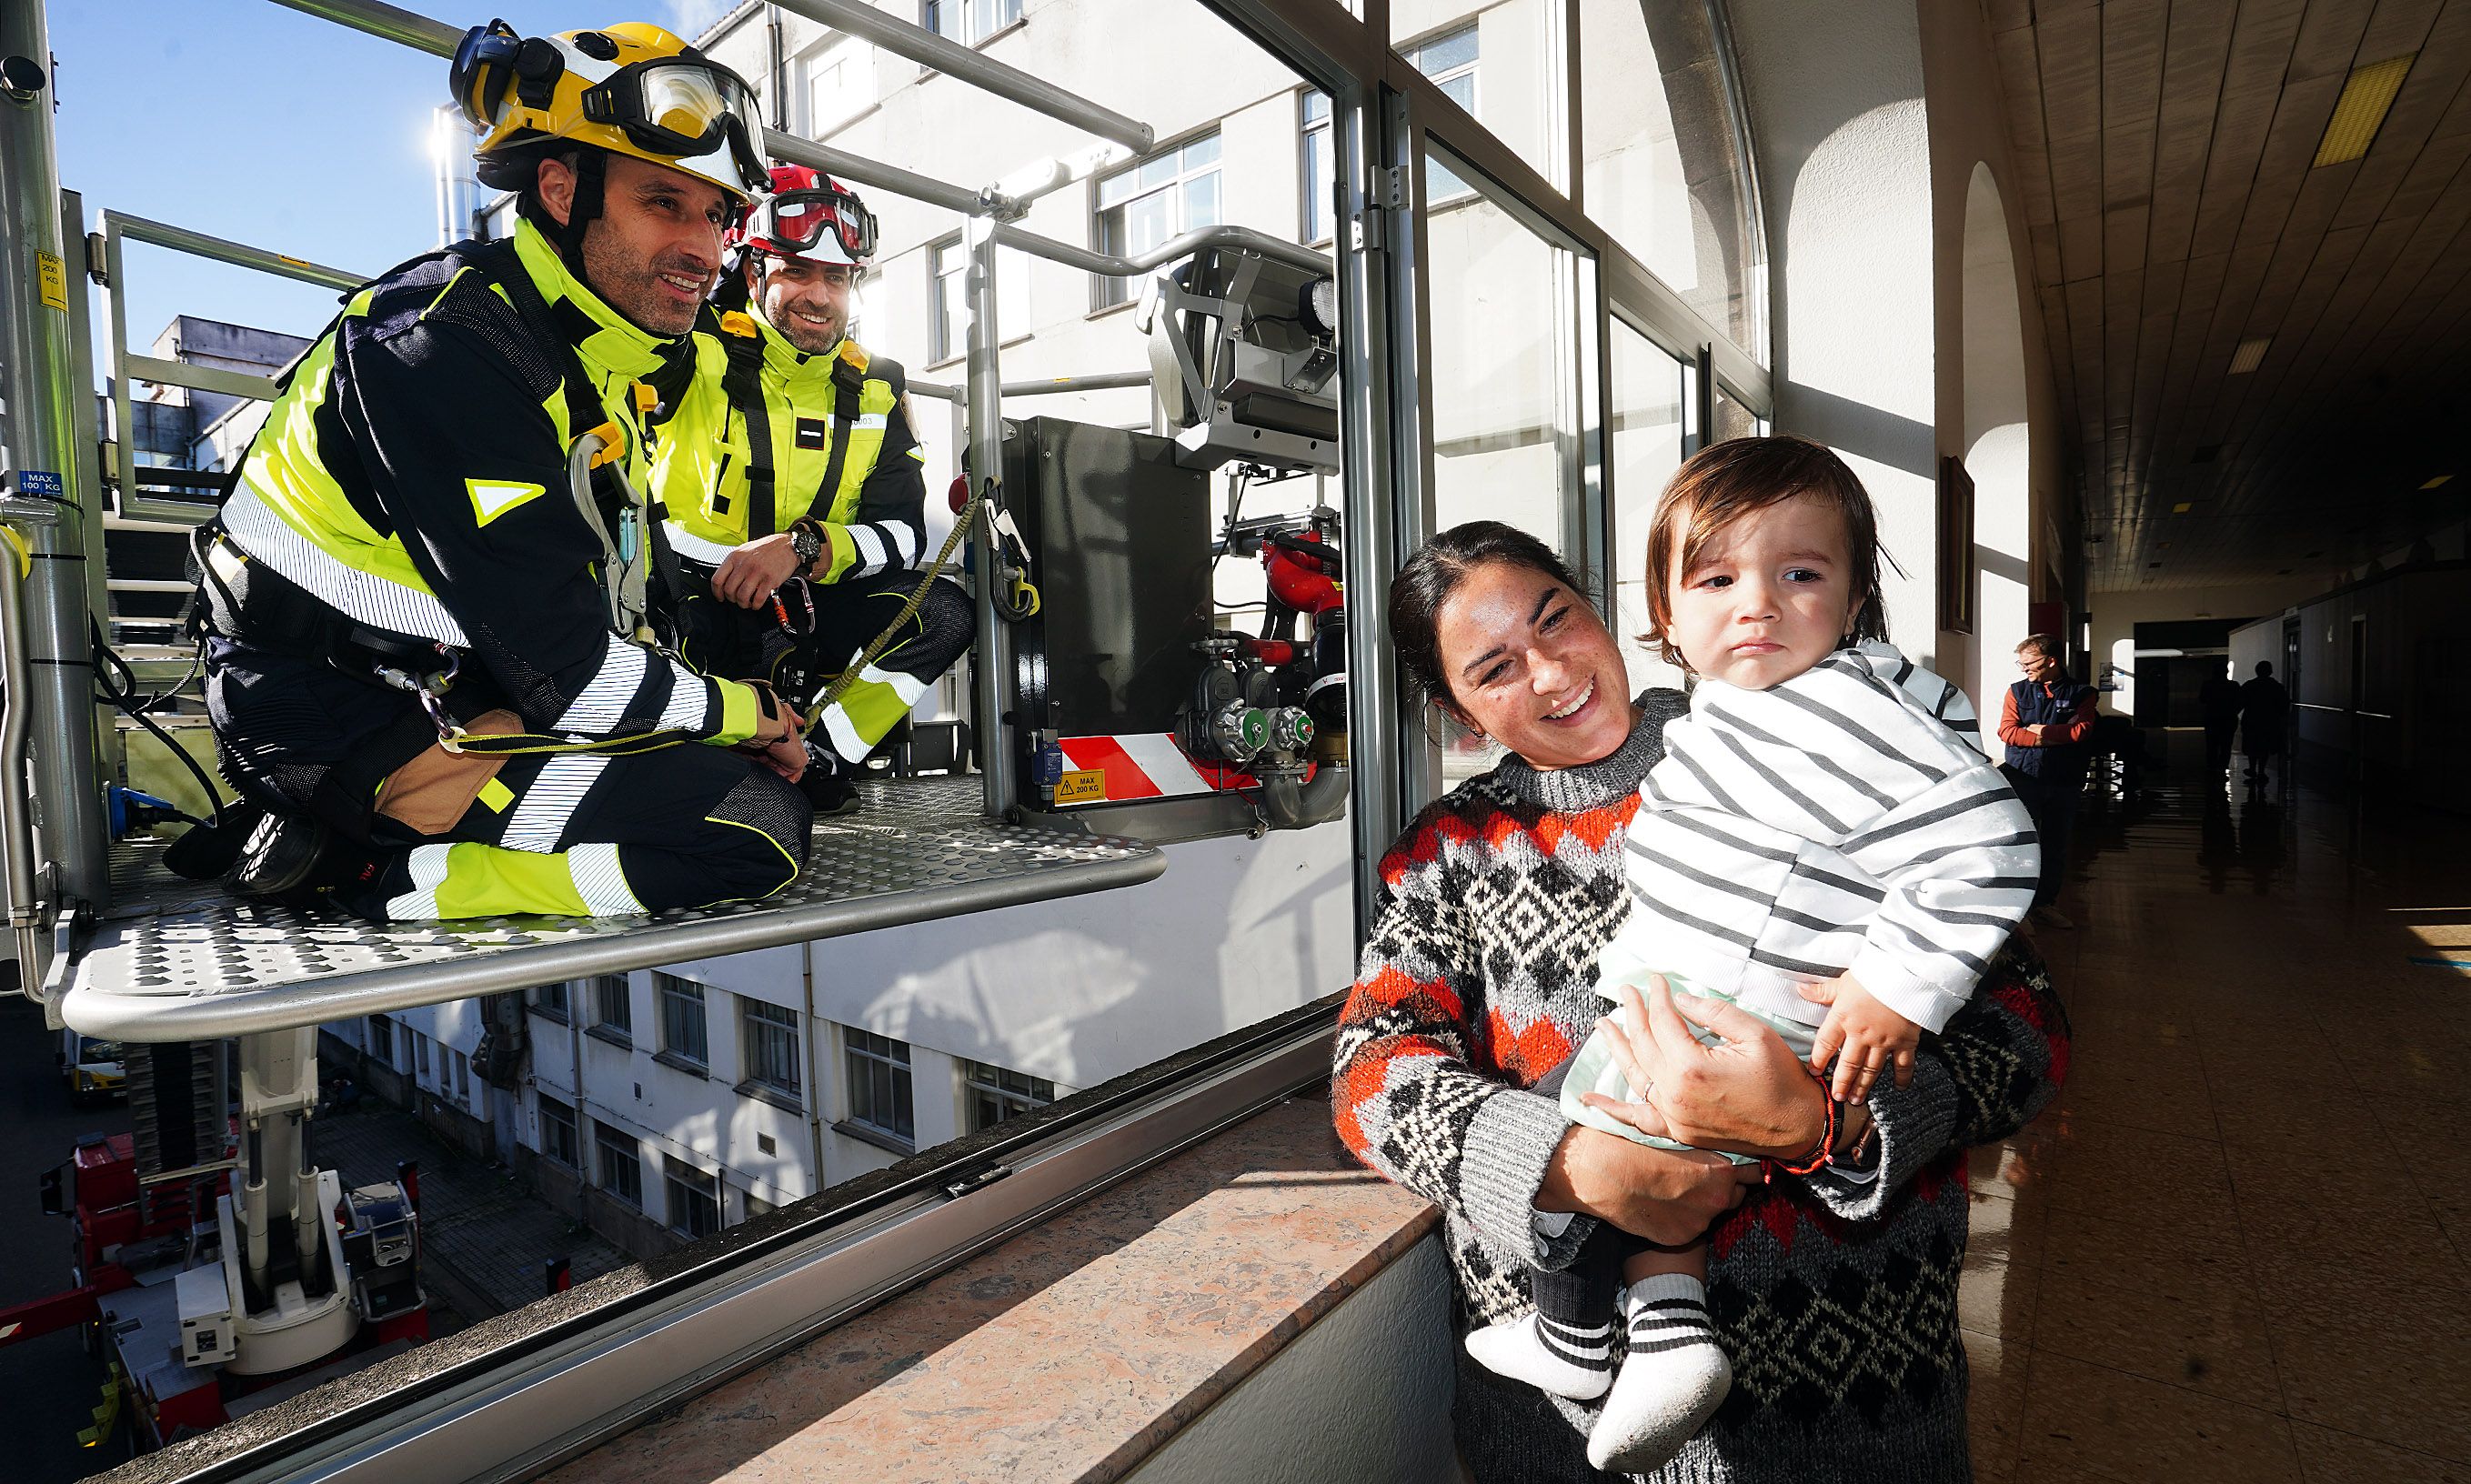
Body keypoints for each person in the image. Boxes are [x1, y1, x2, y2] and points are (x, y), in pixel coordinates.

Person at [1333, 520, 2069, 1482]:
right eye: (1494, 668)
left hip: (1845, 1407)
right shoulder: (1449, 851)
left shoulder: (1800, 746)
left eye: (1556, 620)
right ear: (1456, 710)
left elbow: (2027, 1030)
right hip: (1559, 1429)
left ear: (1604, 610)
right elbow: (1370, 1066)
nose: (1551, 674)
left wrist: (1827, 1117)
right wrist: (1566, 1166)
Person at [199, 22, 814, 922]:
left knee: (752, 780)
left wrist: (724, 708)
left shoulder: (590, 350)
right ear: (562, 192)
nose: (704, 249)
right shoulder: (443, 342)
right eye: (663, 204)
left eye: (717, 216)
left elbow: (588, 595)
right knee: (756, 829)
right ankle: (380, 876)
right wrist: (741, 715)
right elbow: (569, 674)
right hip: (329, 716)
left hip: (458, 683)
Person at [648, 165, 973, 817]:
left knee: (942, 609)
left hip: (805, 605)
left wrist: (800, 547)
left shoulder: (876, 386)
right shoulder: (686, 346)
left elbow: (906, 533)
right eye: (798, 271)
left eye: (837, 277)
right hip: (688, 602)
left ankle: (815, 758)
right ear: (752, 273)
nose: (820, 296)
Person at [1996, 634, 2095, 930]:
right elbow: (2008, 733)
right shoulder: (2016, 692)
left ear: (2051, 660)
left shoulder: (2083, 693)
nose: (2023, 668)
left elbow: (2081, 732)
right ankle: (2015, 910)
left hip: (2064, 782)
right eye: (2021, 662)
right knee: (2020, 844)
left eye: (2029, 662)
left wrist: (2040, 732)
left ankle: (2044, 905)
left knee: (2055, 846)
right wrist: (2056, 734)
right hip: (2024, 778)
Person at [2240, 660, 2290, 789]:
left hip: (2252, 720)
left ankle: (2252, 768)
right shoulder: (2276, 687)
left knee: (2253, 744)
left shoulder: (2250, 685)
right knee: (2264, 746)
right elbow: (2284, 706)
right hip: (2269, 721)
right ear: (2270, 671)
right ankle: (2261, 770)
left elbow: (2240, 702)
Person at [2198, 662, 2244, 780]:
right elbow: (2240, 702)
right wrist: (2233, 712)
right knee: (2226, 745)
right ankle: (2222, 767)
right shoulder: (2234, 685)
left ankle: (2211, 767)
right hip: (2228, 719)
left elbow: (2202, 699)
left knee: (2211, 744)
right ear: (2226, 673)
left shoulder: (2208, 685)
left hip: (2212, 718)